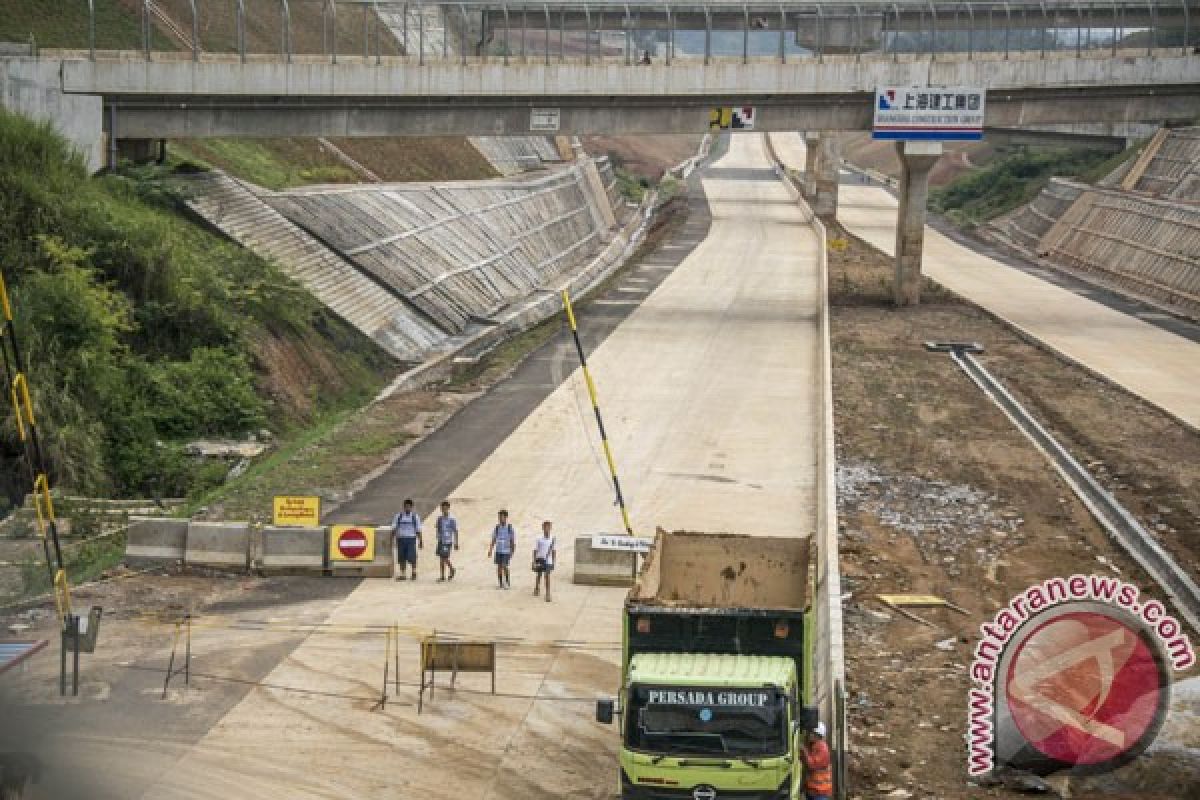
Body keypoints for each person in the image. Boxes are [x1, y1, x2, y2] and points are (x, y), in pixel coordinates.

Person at [801, 721, 832, 800]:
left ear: (818, 735)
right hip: (812, 790)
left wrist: (804, 751)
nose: (809, 735)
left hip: (821, 792)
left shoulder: (822, 748)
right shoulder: (813, 746)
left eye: (812, 733)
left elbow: (812, 765)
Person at [392, 498, 422, 581]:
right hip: (401, 539)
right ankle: (403, 574)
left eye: (409, 507)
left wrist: (420, 540)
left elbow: (418, 529)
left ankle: (414, 572)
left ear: (411, 507)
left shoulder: (415, 517)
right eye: (406, 507)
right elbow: (394, 527)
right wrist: (393, 538)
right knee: (401, 557)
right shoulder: (399, 516)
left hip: (411, 539)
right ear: (404, 507)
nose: (407, 508)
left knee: (412, 556)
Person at [487, 509, 516, 589]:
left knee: (504, 566)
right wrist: (490, 550)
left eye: (502, 517)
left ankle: (507, 582)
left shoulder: (509, 528)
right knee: (499, 567)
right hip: (498, 550)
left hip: (506, 551)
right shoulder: (497, 528)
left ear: (506, 517)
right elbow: (493, 539)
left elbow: (512, 540)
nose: (500, 519)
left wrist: (512, 551)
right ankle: (500, 583)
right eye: (499, 517)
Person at [532, 521, 557, 602]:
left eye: (548, 527)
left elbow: (553, 551)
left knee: (547, 576)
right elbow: (535, 550)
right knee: (539, 575)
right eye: (545, 527)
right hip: (540, 558)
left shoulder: (552, 539)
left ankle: (548, 593)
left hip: (548, 561)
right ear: (542, 528)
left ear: (550, 528)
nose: (546, 529)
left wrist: (553, 562)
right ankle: (537, 587)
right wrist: (534, 561)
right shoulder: (539, 538)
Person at [435, 500, 459, 582]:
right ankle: (443, 575)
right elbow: (437, 527)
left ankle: (451, 569)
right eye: (442, 508)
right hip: (441, 540)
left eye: (445, 508)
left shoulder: (452, 519)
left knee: (444, 557)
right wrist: (438, 536)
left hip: (448, 540)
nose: (444, 509)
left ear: (448, 508)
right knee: (441, 558)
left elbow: (455, 531)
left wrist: (456, 542)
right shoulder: (439, 518)